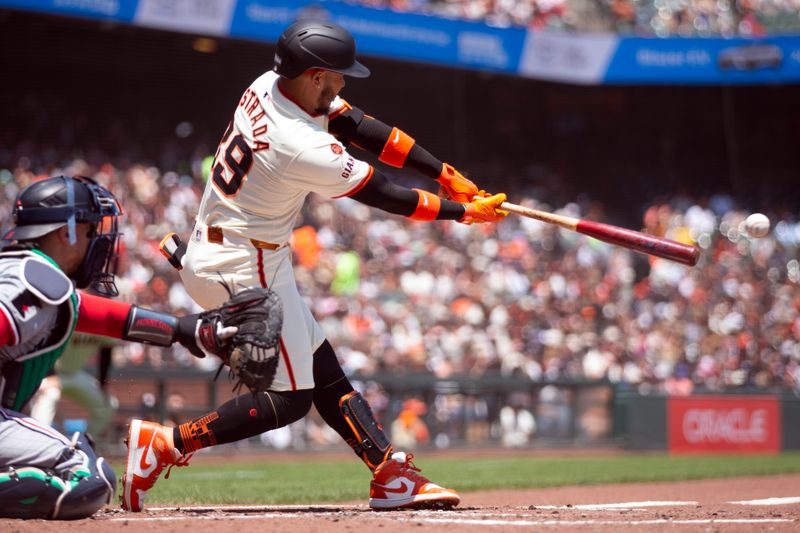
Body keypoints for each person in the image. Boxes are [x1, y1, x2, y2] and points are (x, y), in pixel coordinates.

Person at [122, 20, 507, 512]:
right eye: (338, 75)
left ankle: (388, 473)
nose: (344, 83)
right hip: (242, 265)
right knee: (291, 399)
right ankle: (167, 444)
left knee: (322, 367)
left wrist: (444, 173)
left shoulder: (270, 83)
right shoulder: (299, 144)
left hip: (243, 253)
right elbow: (385, 194)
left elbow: (361, 126)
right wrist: (462, 212)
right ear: (315, 75)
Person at [0, 176, 242, 519]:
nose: (95, 240)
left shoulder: (26, 272)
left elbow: (99, 316)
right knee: (87, 477)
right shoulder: (34, 279)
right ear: (64, 232)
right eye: (87, 229)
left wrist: (181, 330)